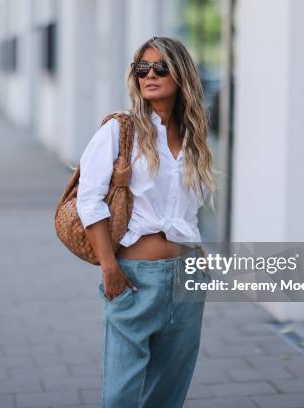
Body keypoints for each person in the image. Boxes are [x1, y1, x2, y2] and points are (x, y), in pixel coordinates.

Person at [76, 36, 216, 408]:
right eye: (142, 68)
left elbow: (188, 209)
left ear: (181, 75)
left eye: (160, 67)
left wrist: (200, 257)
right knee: (122, 394)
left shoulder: (192, 137)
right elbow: (88, 202)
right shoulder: (120, 132)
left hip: (187, 276)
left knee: (170, 390)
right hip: (134, 278)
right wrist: (109, 268)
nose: (149, 75)